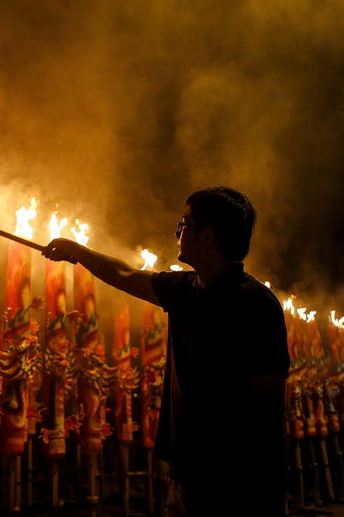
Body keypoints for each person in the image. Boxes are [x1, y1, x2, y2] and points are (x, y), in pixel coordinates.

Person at [43, 187, 289, 516]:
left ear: (207, 237)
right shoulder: (184, 289)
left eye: (184, 224)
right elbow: (125, 273)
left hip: (238, 480)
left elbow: (269, 399)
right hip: (187, 470)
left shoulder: (255, 303)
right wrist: (76, 251)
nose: (177, 231)